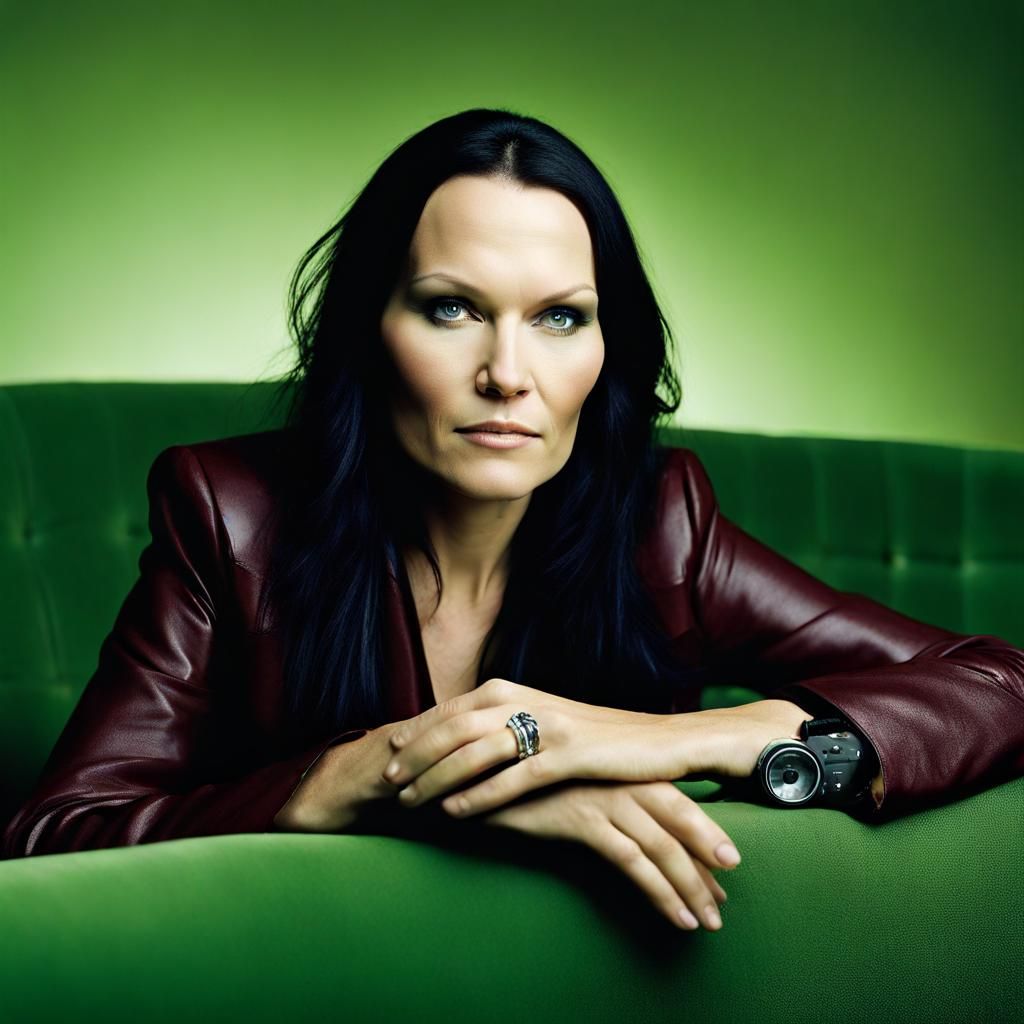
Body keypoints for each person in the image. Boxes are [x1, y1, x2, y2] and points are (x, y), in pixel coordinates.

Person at [3, 109, 1023, 938]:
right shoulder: (230, 515)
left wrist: (654, 743)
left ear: (607, 349)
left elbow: (1001, 682)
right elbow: (54, 837)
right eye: (452, 308)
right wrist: (371, 775)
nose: (507, 373)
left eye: (559, 317)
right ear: (368, 330)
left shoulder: (662, 524)